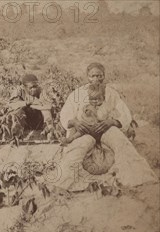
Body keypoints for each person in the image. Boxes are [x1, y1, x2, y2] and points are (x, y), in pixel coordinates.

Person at [51, 63, 156, 191]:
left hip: (105, 129)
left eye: (99, 76)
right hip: (85, 131)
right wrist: (76, 123)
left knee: (121, 142)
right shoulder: (77, 94)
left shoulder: (111, 93)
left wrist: (111, 122)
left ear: (104, 76)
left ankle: (137, 178)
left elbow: (124, 114)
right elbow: (65, 114)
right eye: (92, 76)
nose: (96, 79)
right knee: (78, 148)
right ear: (87, 77)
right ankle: (66, 182)